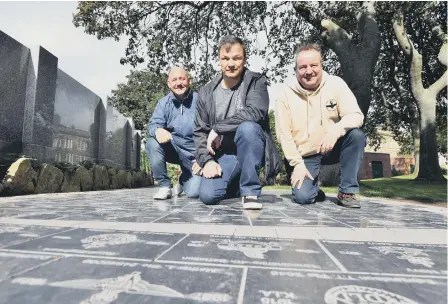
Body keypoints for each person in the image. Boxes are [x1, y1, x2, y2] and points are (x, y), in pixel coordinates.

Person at [194, 35, 281, 210]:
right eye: (225, 59)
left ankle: (250, 191)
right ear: (219, 60)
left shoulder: (256, 81)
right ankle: (235, 182)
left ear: (244, 58)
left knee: (248, 128)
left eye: (236, 58)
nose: (231, 64)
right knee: (207, 196)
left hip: (251, 148)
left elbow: (256, 112)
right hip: (225, 154)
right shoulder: (206, 92)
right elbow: (200, 132)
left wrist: (218, 128)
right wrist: (207, 161)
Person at [275, 43, 366, 208]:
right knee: (303, 198)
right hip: (304, 155)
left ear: (321, 65)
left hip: (331, 146)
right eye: (302, 67)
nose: (308, 71)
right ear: (295, 69)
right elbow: (284, 136)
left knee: (356, 136)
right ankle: (313, 189)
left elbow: (356, 115)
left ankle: (347, 191)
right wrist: (296, 164)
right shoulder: (284, 94)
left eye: (313, 65)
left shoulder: (336, 84)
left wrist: (335, 131)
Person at [147, 67, 201, 200]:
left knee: (194, 192)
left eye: (182, 79)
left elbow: (211, 129)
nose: (178, 83)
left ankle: (183, 180)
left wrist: (203, 156)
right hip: (174, 149)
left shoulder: (201, 101)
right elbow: (153, 125)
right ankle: (164, 186)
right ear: (169, 83)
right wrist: (158, 130)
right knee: (152, 142)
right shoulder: (163, 103)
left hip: (195, 156)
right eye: (174, 80)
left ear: (189, 81)